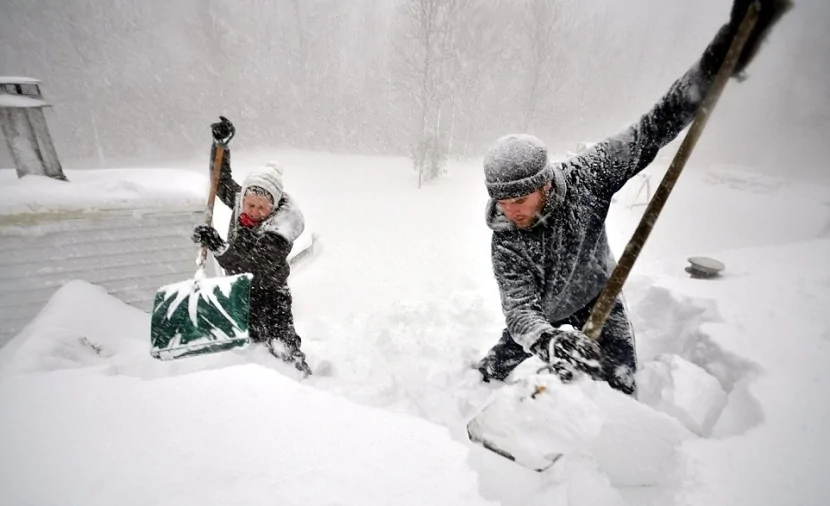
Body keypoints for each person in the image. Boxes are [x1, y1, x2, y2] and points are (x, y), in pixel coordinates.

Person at [475, 0, 791, 395]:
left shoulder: (587, 177)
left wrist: (727, 47)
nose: (510, 210)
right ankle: (477, 384)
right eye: (501, 201)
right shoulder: (505, 237)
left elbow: (657, 122)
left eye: (518, 199)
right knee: (489, 372)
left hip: (596, 295)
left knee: (621, 382)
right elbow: (520, 310)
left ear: (545, 184)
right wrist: (547, 339)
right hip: (544, 313)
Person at [192, 121, 312, 377]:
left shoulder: (280, 228)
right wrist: (220, 146)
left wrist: (217, 245)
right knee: (251, 345)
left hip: (271, 293)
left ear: (274, 205)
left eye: (263, 207)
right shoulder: (242, 201)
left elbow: (249, 267)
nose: (255, 212)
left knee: (282, 346)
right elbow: (220, 181)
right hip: (241, 291)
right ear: (244, 197)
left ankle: (303, 382)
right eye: (250, 205)